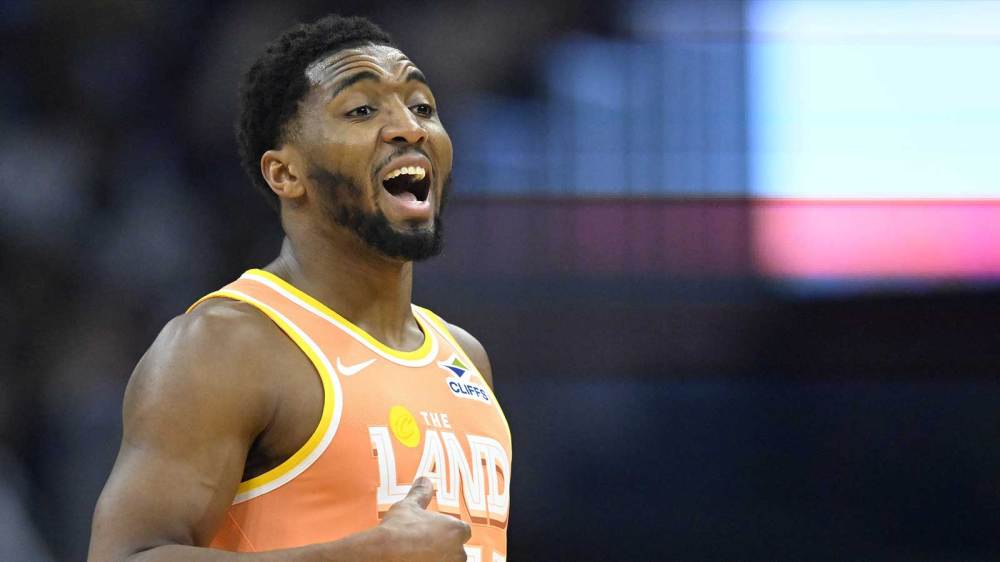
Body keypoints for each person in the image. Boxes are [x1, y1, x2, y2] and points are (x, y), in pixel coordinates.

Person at [88, 14, 511, 562]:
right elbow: (125, 555)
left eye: (423, 106)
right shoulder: (228, 344)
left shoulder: (466, 359)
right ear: (286, 175)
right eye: (362, 110)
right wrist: (361, 556)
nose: (410, 127)